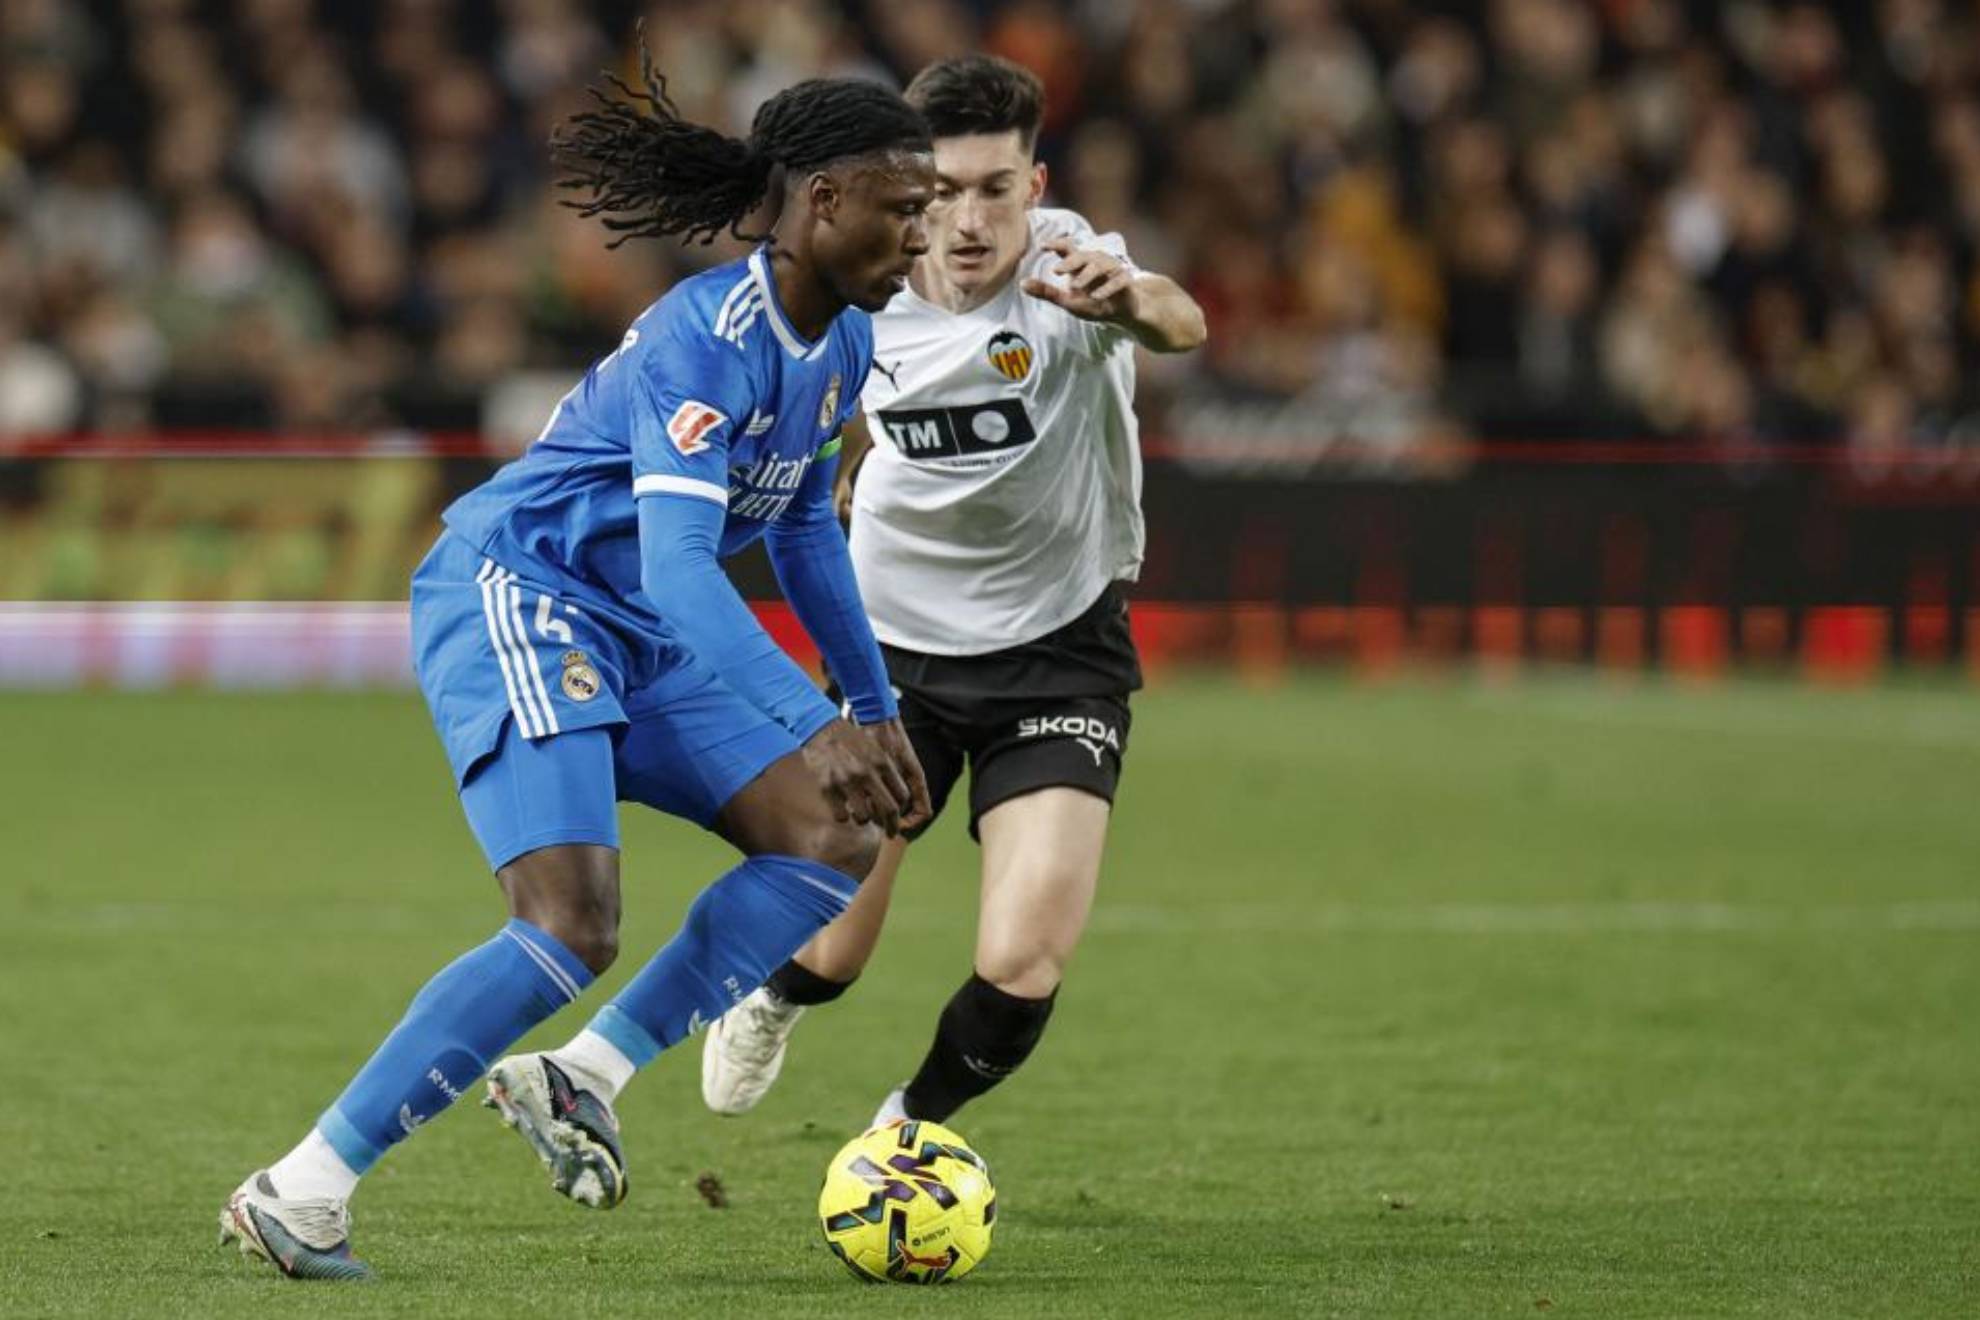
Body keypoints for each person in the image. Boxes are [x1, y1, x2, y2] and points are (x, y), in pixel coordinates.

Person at [218, 54, 937, 1281]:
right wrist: (811, 714)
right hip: (523, 590)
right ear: (822, 199)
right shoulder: (703, 339)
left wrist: (870, 708)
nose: (923, 232)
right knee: (570, 919)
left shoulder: (846, 342)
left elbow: (808, 525)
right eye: (904, 204)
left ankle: (580, 1075)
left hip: (638, 628)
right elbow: (681, 569)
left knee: (833, 835)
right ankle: (301, 1189)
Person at [699, 54, 1205, 1128]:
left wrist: (1137, 299)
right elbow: (850, 392)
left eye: (997, 188)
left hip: (1057, 650)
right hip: (890, 655)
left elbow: (1178, 322)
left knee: (1022, 962)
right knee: (832, 952)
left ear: (1036, 183)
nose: (971, 222)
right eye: (945, 191)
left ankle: (906, 1135)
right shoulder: (862, 287)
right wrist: (847, 448)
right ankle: (777, 998)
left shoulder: (1077, 274)